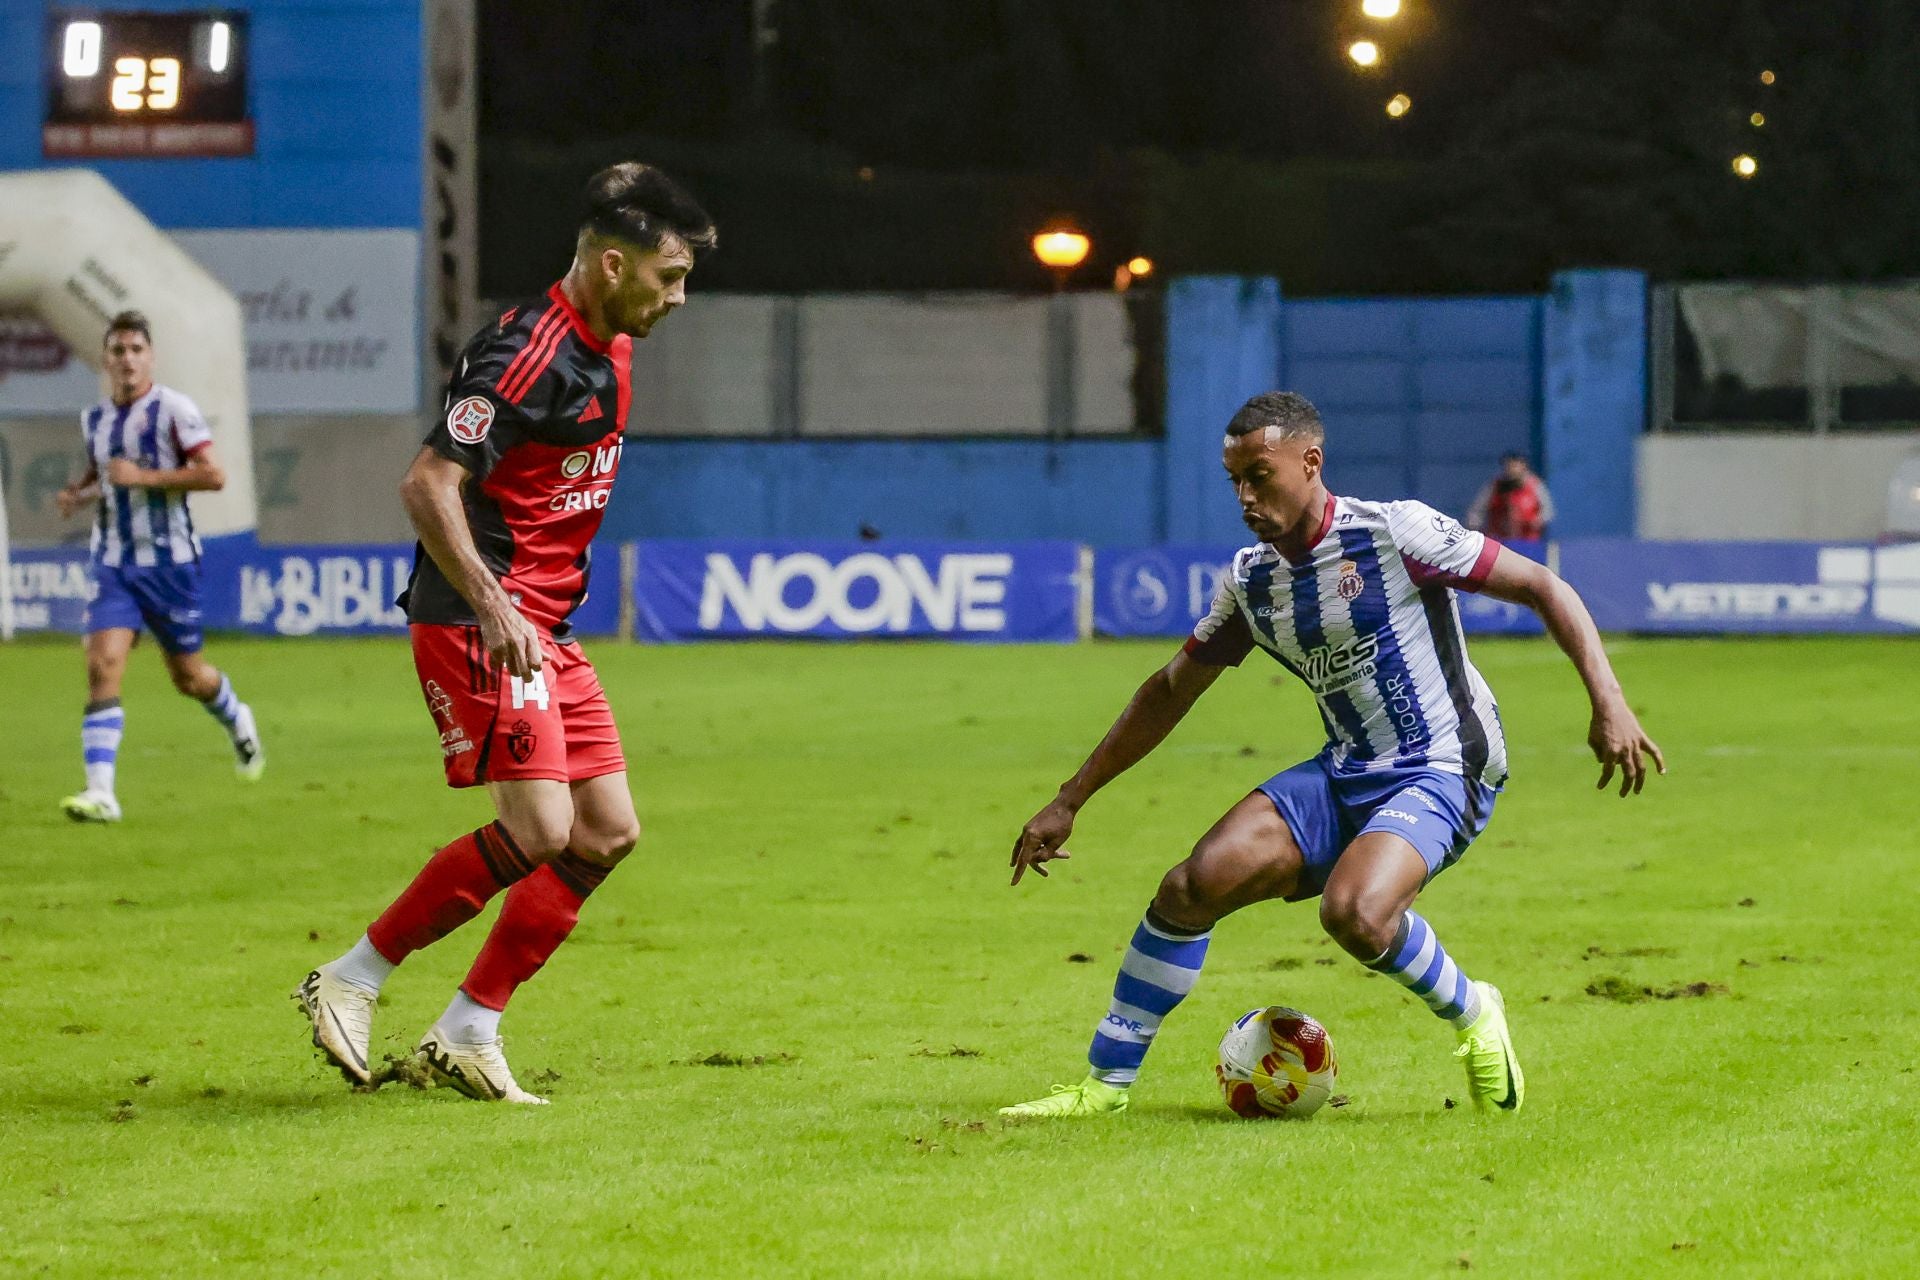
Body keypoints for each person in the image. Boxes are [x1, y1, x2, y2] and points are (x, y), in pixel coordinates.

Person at [1000, 392, 1663, 1119]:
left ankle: (1475, 1011)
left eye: (1261, 475)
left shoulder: (1394, 532)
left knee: (1355, 913)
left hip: (1445, 762)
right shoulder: (1253, 581)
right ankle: (1106, 1085)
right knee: (1191, 887)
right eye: (1235, 483)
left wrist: (1610, 702)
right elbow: (1167, 692)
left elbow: (1542, 585)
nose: (1247, 497)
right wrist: (1071, 798)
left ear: (1311, 462)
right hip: (1348, 766)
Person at [293, 163, 716, 1104]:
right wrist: (493, 605)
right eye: (669, 277)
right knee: (540, 827)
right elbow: (425, 485)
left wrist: (630, 177)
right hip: (484, 623)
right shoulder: (524, 355)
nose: (679, 298)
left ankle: (468, 1029)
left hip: (545, 628)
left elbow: (623, 190)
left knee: (605, 832)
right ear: (613, 265)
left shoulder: (611, 331)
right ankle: (351, 978)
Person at [52, 311, 264, 823]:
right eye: (118, 350)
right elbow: (104, 473)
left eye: (135, 350)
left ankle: (238, 718)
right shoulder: (95, 419)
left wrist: (142, 478)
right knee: (103, 665)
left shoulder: (174, 410)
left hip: (169, 564)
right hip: (115, 562)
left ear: (150, 357)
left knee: (188, 677)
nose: (126, 359)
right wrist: (79, 494)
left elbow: (213, 476)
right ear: (105, 359)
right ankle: (101, 792)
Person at [1466, 451, 1555, 541]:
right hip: (1499, 540)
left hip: (1529, 541)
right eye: (1508, 466)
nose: (1511, 470)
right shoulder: (1495, 486)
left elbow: (1548, 512)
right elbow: (1476, 511)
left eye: (1515, 466)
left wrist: (1537, 521)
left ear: (1524, 466)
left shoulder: (1535, 485)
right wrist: (1474, 527)